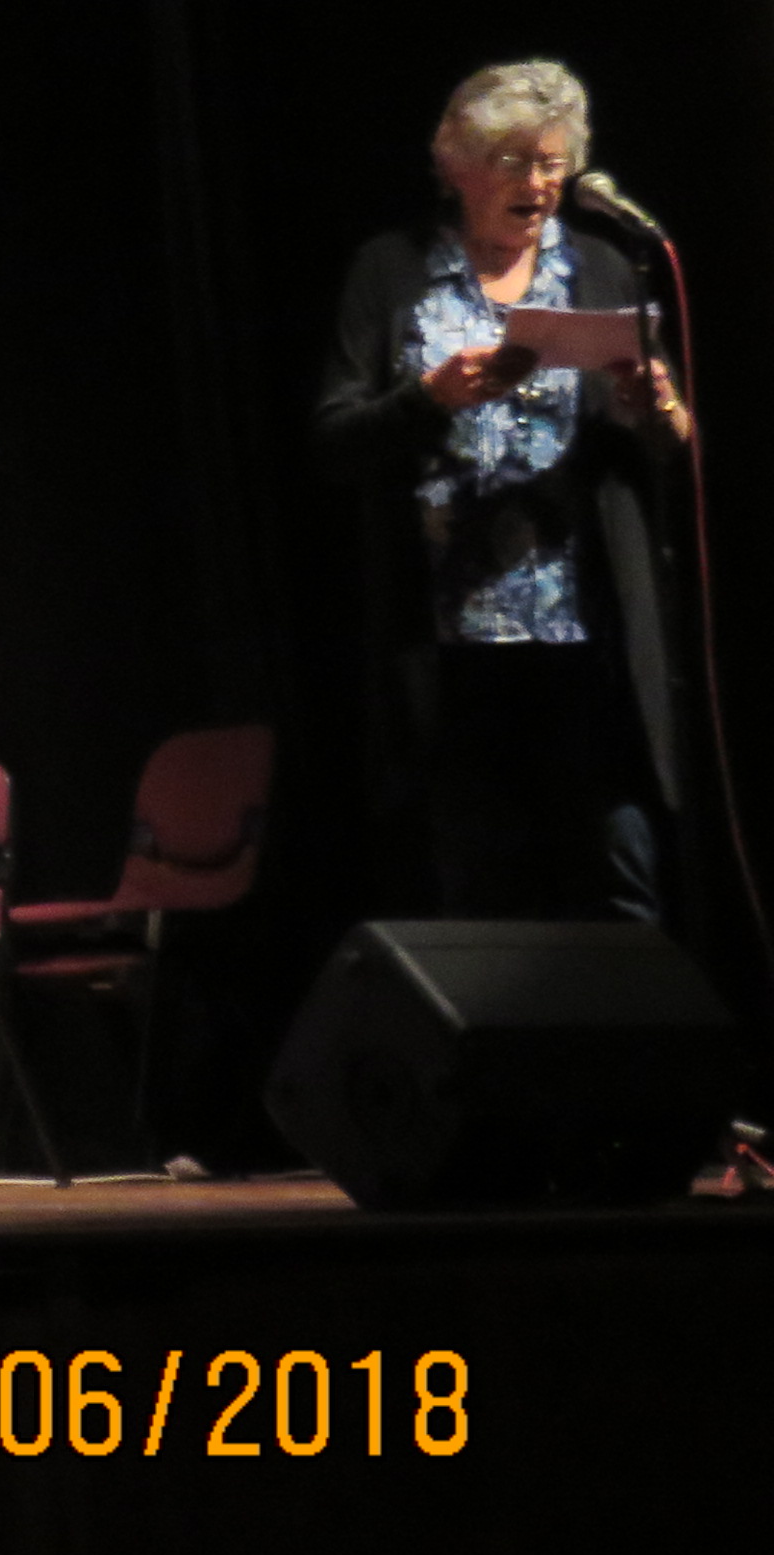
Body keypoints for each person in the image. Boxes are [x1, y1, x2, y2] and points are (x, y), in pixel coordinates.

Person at [317, 58, 692, 923]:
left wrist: (660, 413)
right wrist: (429, 398)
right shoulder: (393, 271)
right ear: (457, 166)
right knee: (479, 886)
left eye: (553, 163)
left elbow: (671, 450)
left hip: (587, 636)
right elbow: (333, 442)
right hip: (452, 646)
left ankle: (633, 1013)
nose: (539, 183)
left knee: (622, 875)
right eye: (515, 161)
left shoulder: (602, 268)